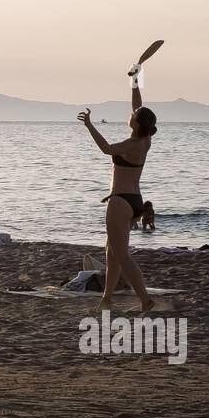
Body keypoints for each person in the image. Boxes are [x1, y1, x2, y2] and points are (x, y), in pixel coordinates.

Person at [77, 71, 157, 312]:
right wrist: (135, 79)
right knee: (111, 253)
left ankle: (145, 300)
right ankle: (107, 300)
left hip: (120, 201)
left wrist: (89, 125)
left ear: (136, 123)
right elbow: (138, 105)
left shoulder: (131, 144)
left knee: (122, 255)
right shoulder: (145, 140)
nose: (130, 114)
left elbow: (106, 148)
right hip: (135, 202)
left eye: (133, 116)